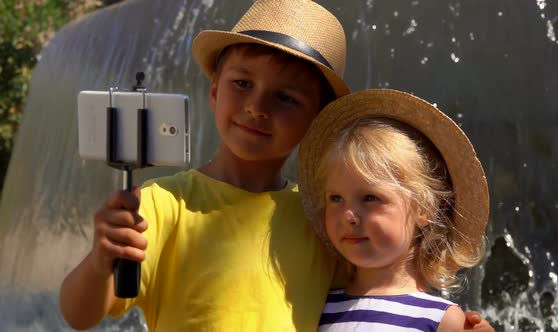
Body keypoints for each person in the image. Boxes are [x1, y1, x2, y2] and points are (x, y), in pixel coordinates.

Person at [60, 0, 492, 330]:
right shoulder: (162, 205)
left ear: (316, 118)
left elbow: (379, 293)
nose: (256, 107)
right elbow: (79, 316)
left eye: (286, 97)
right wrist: (101, 261)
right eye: (242, 83)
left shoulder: (322, 217)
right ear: (214, 91)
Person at [297, 89, 492, 331]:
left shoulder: (441, 320)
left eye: (370, 198)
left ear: (425, 208)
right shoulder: (316, 308)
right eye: (336, 198)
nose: (348, 215)